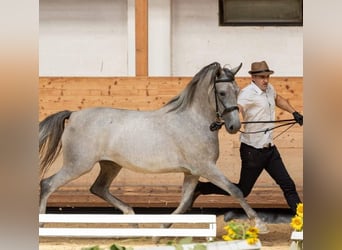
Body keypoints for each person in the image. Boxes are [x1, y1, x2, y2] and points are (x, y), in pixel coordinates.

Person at [195, 60, 303, 214]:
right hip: (253, 151)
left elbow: (278, 99)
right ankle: (202, 187)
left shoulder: (269, 89)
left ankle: (302, 222)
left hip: (270, 150)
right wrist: (221, 121)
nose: (265, 80)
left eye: (267, 76)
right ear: (253, 78)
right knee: (243, 190)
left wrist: (294, 113)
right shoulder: (247, 94)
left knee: (288, 185)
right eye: (262, 77)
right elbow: (235, 108)